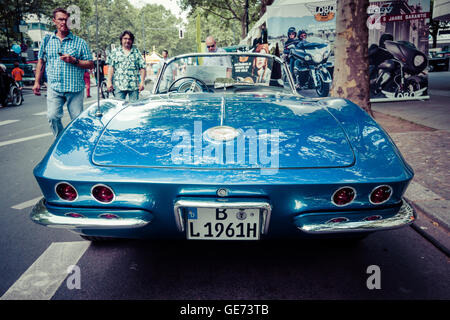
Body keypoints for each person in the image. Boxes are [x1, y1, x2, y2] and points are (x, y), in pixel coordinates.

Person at [33, 8, 94, 137]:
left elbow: (90, 63)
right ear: (54, 21)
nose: (63, 22)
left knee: (77, 120)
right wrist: (36, 82)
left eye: (66, 20)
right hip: (54, 87)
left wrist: (74, 61)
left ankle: (78, 144)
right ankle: (60, 140)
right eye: (60, 19)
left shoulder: (80, 42)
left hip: (75, 88)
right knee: (52, 116)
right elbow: (41, 61)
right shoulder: (47, 41)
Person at [106, 30, 146, 101]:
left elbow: (142, 68)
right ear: (121, 40)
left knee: (134, 108)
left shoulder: (136, 52)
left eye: (129, 39)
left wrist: (142, 82)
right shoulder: (115, 52)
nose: (127, 41)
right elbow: (111, 68)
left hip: (134, 86)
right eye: (125, 38)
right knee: (118, 107)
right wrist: (109, 81)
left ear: (132, 41)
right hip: (119, 85)